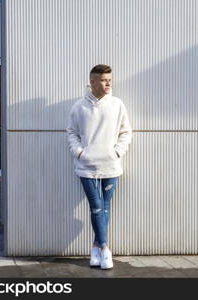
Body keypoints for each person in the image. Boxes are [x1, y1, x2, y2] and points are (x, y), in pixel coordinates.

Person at [66, 64, 132, 269]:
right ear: (92, 82)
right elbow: (71, 132)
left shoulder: (117, 104)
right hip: (86, 167)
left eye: (110, 80)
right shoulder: (79, 107)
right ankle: (104, 248)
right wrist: (79, 152)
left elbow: (126, 132)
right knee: (96, 207)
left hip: (111, 165)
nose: (109, 84)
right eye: (104, 80)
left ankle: (96, 248)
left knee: (104, 207)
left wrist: (117, 152)